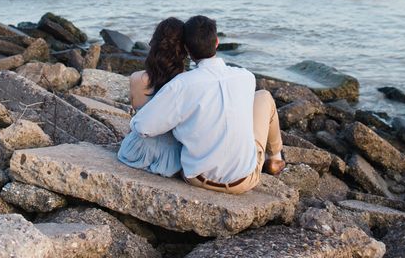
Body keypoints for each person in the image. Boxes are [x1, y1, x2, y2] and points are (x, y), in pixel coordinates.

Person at [130, 15, 284, 194]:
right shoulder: (246, 77)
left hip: (198, 178)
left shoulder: (181, 84)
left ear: (187, 49)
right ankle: (275, 157)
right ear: (217, 42)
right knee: (264, 96)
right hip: (244, 180)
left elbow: (143, 127)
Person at [117, 17, 186, 177]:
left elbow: (138, 117)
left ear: (153, 44)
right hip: (172, 159)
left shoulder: (136, 79)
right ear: (184, 50)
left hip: (136, 151)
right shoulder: (188, 83)